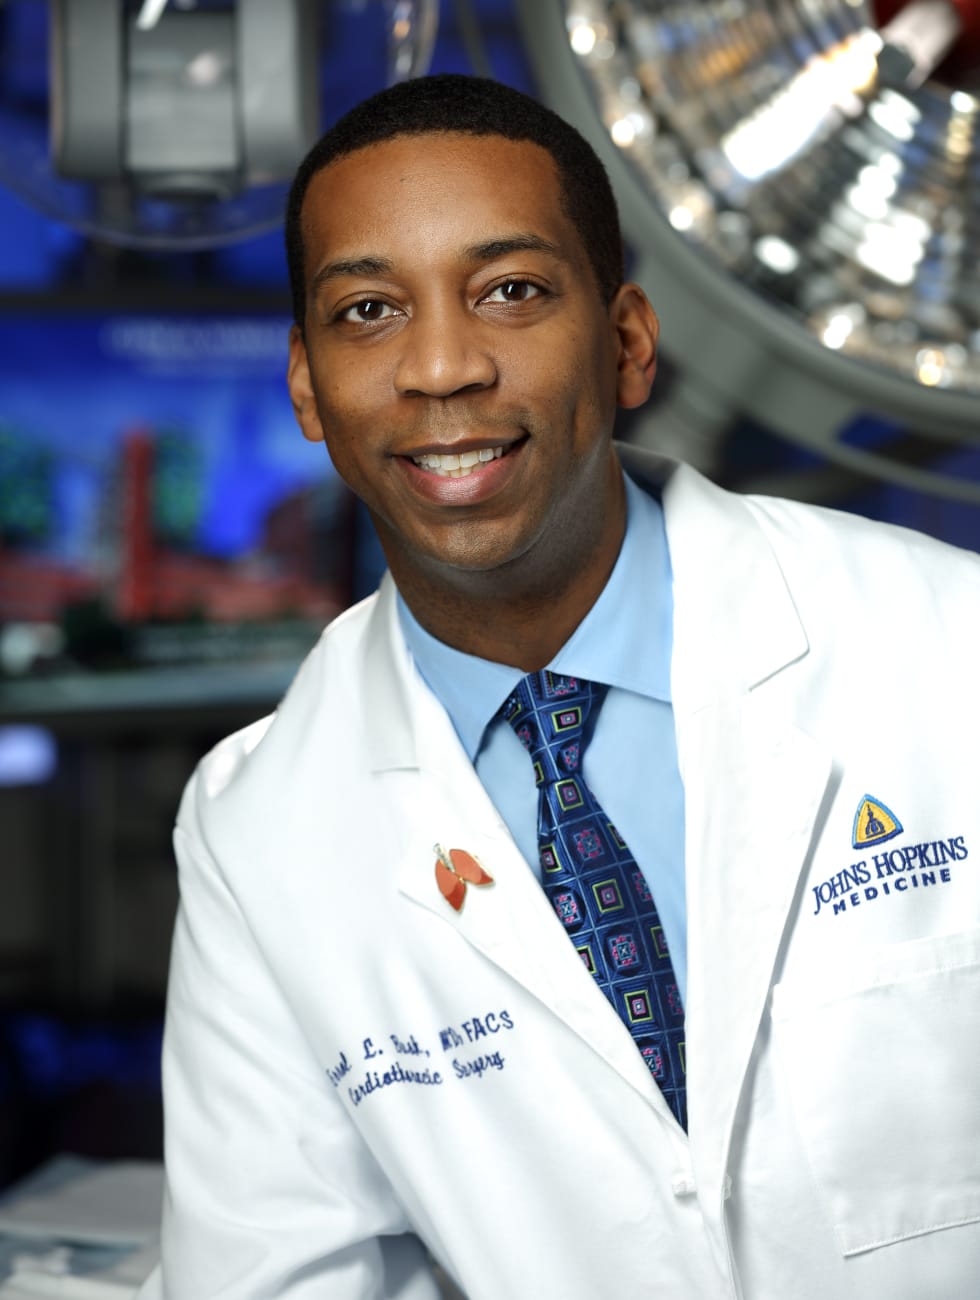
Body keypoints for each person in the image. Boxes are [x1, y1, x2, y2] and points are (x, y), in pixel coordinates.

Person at [139, 74, 980, 1300]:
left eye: (511, 291)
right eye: (368, 309)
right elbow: (275, 1275)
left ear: (627, 340)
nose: (439, 367)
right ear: (308, 385)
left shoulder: (938, 643)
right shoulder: (259, 823)